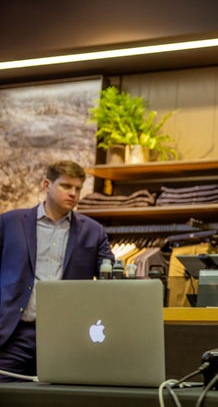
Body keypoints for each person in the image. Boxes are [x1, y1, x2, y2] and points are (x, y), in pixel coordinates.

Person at [0, 160, 114, 382]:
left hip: (67, 337)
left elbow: (111, 281)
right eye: (66, 186)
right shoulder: (9, 223)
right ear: (46, 185)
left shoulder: (93, 232)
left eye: (78, 188)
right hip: (14, 334)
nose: (73, 193)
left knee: (61, 398)